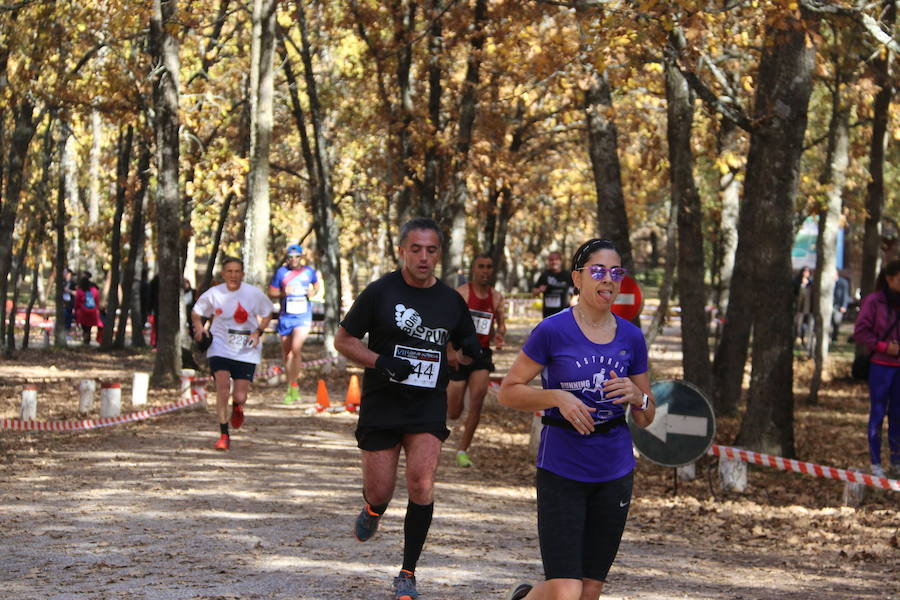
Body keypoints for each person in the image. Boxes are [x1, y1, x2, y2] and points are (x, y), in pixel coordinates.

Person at [499, 238, 656, 600]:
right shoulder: (552, 331)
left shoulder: (632, 338)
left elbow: (647, 418)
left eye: (616, 272)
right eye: (598, 271)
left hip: (614, 469)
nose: (608, 280)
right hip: (562, 466)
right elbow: (509, 390)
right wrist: (556, 396)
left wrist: (639, 396)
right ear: (577, 279)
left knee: (590, 589)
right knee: (566, 589)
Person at [333, 217, 481, 600]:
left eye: (431, 250)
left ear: (439, 255)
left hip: (427, 403)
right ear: (401, 250)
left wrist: (470, 349)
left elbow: (463, 340)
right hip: (383, 403)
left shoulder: (451, 300)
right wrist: (380, 362)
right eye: (415, 248)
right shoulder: (380, 292)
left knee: (421, 482)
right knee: (381, 490)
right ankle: (373, 509)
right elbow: (344, 341)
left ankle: (407, 573)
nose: (423, 257)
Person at [191, 257, 273, 451]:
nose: (233, 275)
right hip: (220, 346)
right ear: (223, 274)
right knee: (222, 385)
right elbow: (197, 312)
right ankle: (223, 434)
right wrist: (199, 328)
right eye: (229, 271)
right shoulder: (214, 293)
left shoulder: (253, 294)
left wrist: (258, 331)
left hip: (246, 349)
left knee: (240, 395)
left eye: (237, 271)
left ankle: (237, 406)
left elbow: (268, 312)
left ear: (242, 274)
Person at [446, 253, 506, 468]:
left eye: (489, 267)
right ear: (473, 269)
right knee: (453, 412)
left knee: (477, 401)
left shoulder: (497, 297)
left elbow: (500, 327)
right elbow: (448, 326)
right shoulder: (461, 294)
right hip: (460, 354)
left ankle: (463, 450)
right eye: (481, 266)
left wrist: (499, 336)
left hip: (481, 354)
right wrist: (451, 352)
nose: (485, 271)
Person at [853, 259, 900, 479]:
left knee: (898, 414)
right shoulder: (874, 301)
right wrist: (883, 347)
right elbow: (861, 332)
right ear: (890, 279)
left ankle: (896, 460)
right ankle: (876, 463)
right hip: (881, 367)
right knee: (878, 413)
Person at [268, 243, 319, 404]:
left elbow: (316, 285)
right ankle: (291, 386)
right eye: (290, 257)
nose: (293, 260)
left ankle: (295, 385)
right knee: (287, 353)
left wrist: (313, 291)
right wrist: (283, 292)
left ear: (301, 257)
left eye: (297, 257)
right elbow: (272, 291)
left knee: (296, 349)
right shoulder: (281, 272)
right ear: (287, 258)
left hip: (303, 316)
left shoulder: (308, 271)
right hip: (286, 316)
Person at [532, 251, 574, 319]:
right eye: (551, 260)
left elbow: (577, 291)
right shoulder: (545, 275)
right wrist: (539, 290)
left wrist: (573, 300)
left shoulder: (567, 275)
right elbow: (534, 293)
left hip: (564, 313)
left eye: (556, 259)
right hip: (548, 314)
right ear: (548, 262)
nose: (554, 262)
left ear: (560, 261)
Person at [74, 272, 102, 345]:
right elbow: (97, 302)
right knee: (89, 328)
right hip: (92, 313)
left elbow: (77, 303)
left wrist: (76, 311)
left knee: (85, 328)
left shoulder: (80, 291)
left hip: (83, 313)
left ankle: (85, 341)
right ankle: (87, 340)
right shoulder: (95, 291)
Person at [793, 266, 814, 351]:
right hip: (799, 309)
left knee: (806, 325)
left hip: (808, 308)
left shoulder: (811, 283)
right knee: (798, 324)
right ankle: (798, 338)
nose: (806, 274)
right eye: (804, 272)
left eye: (807, 272)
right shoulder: (796, 282)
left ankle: (805, 340)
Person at [832, 269, 850, 343]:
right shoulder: (829, 282)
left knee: (836, 322)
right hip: (830, 305)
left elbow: (845, 295)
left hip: (838, 306)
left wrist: (844, 306)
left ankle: (834, 338)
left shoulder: (843, 282)